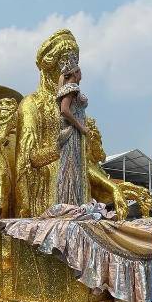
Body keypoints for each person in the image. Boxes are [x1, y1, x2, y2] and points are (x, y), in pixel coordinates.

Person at [55, 50, 90, 206]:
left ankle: (71, 201)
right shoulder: (71, 88)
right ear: (76, 72)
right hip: (72, 132)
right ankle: (69, 202)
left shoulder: (69, 87)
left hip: (73, 133)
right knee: (71, 167)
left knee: (72, 166)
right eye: (80, 71)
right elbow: (64, 110)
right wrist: (81, 126)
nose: (82, 74)